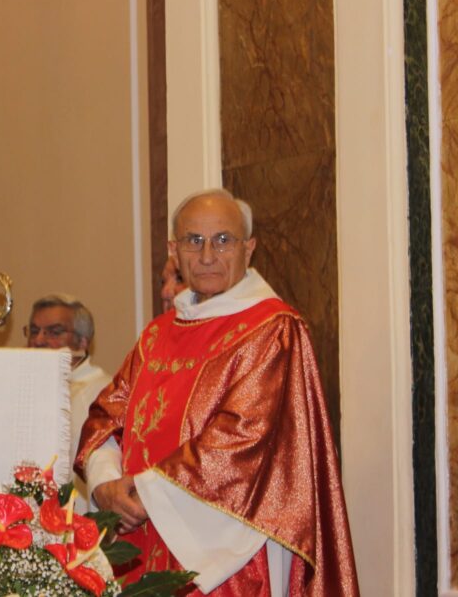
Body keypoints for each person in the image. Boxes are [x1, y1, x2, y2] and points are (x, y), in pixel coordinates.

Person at [76, 189, 358, 595]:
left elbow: (244, 438)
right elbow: (108, 415)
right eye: (194, 240)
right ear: (174, 251)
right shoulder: (157, 335)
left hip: (227, 552)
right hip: (139, 534)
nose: (207, 255)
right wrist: (105, 485)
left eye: (223, 240)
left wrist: (145, 492)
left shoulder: (273, 329)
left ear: (249, 249)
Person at [24, 293, 110, 504]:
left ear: (83, 341)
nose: (38, 340)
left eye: (54, 332)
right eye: (34, 331)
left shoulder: (105, 393)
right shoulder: (24, 390)